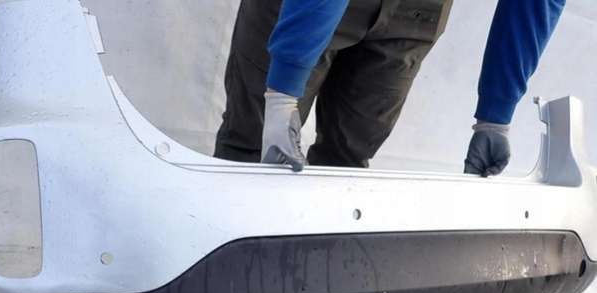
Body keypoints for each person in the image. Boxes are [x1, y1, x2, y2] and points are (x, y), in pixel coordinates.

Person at [214, 0, 566, 176]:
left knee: (344, 167)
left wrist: (495, 117)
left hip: (414, 12)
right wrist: (283, 89)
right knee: (254, 152)